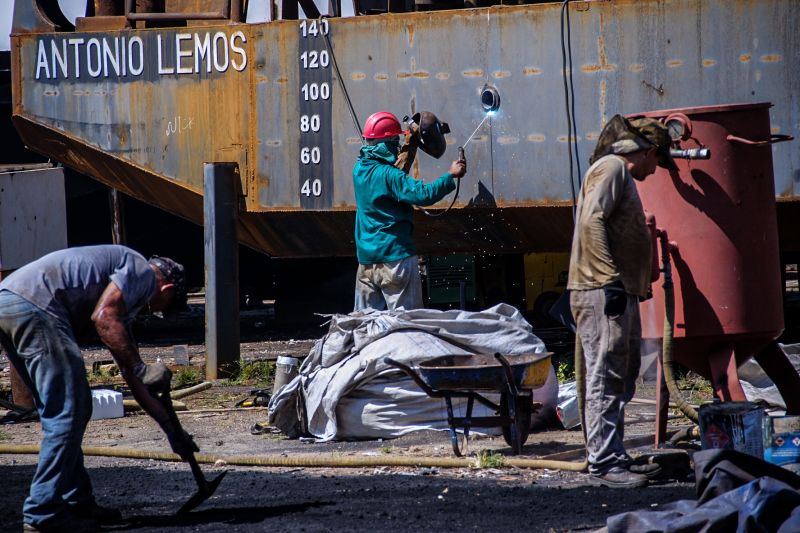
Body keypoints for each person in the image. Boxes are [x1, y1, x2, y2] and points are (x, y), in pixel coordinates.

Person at [0, 245, 197, 532]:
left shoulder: (123, 292)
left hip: (11, 301)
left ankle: (78, 501)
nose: (154, 312)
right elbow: (104, 318)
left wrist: (172, 431)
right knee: (69, 411)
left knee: (66, 411)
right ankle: (42, 511)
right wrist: (144, 369)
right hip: (36, 304)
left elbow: (131, 374)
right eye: (164, 306)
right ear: (166, 287)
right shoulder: (140, 271)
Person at [567, 115, 677, 488]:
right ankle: (603, 464)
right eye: (658, 160)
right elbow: (590, 221)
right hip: (601, 290)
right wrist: (610, 280)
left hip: (614, 289)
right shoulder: (612, 167)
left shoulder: (617, 172)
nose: (657, 168)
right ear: (646, 151)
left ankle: (613, 454)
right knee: (605, 374)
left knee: (621, 375)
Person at [352, 111, 467, 312]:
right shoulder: (390, 176)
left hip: (366, 263)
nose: (397, 145)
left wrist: (410, 144)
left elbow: (391, 176)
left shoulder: (359, 170)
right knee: (407, 326)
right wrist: (450, 176)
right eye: (394, 140)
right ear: (385, 144)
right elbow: (423, 195)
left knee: (365, 327)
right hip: (396, 260)